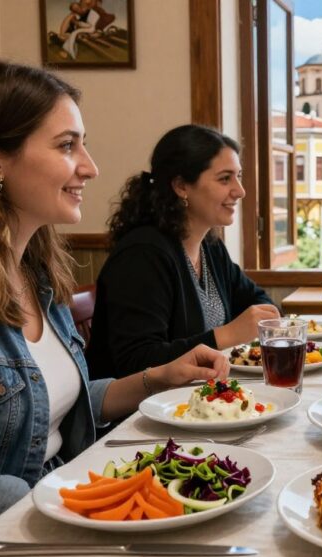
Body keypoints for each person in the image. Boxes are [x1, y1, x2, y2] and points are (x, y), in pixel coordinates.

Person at [0, 61, 230, 557]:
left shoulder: (35, 271)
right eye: (66, 145)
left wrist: (158, 378)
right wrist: (101, 506)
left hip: (53, 508)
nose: (90, 167)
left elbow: (53, 404)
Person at [86, 125, 279, 379]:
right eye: (225, 178)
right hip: (135, 414)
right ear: (181, 186)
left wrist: (259, 321)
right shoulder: (142, 255)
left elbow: (259, 302)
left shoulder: (210, 246)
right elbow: (135, 362)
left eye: (239, 176)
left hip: (196, 402)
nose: (240, 191)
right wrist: (226, 335)